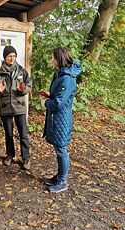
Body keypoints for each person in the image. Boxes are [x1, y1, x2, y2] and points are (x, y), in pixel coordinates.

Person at [38, 47, 82, 193]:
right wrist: (49, 95)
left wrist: (46, 103)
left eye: (53, 58)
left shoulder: (67, 78)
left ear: (59, 59)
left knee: (61, 149)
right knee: (58, 149)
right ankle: (59, 176)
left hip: (61, 119)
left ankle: (63, 181)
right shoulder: (59, 75)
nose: (51, 61)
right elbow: (57, 97)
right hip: (56, 119)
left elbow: (59, 103)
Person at [0, 46, 32, 170]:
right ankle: (10, 155)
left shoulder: (22, 71)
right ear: (5, 57)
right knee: (8, 133)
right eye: (9, 56)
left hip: (19, 106)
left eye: (14, 55)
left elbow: (29, 85)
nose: (12, 58)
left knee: (23, 133)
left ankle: (26, 158)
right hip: (5, 107)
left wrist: (24, 89)